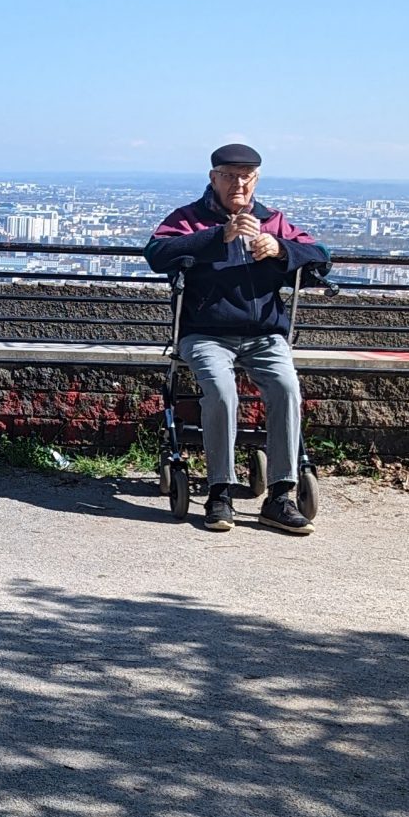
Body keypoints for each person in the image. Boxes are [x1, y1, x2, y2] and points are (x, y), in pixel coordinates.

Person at [144, 143, 329, 535]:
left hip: (264, 333)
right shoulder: (189, 219)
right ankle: (219, 491)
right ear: (213, 178)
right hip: (205, 333)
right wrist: (218, 237)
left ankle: (280, 494)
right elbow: (157, 253)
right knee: (221, 393)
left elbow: (321, 255)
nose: (238, 184)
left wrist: (282, 249)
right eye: (229, 176)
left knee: (286, 389)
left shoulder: (273, 221)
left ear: (256, 179)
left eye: (246, 176)